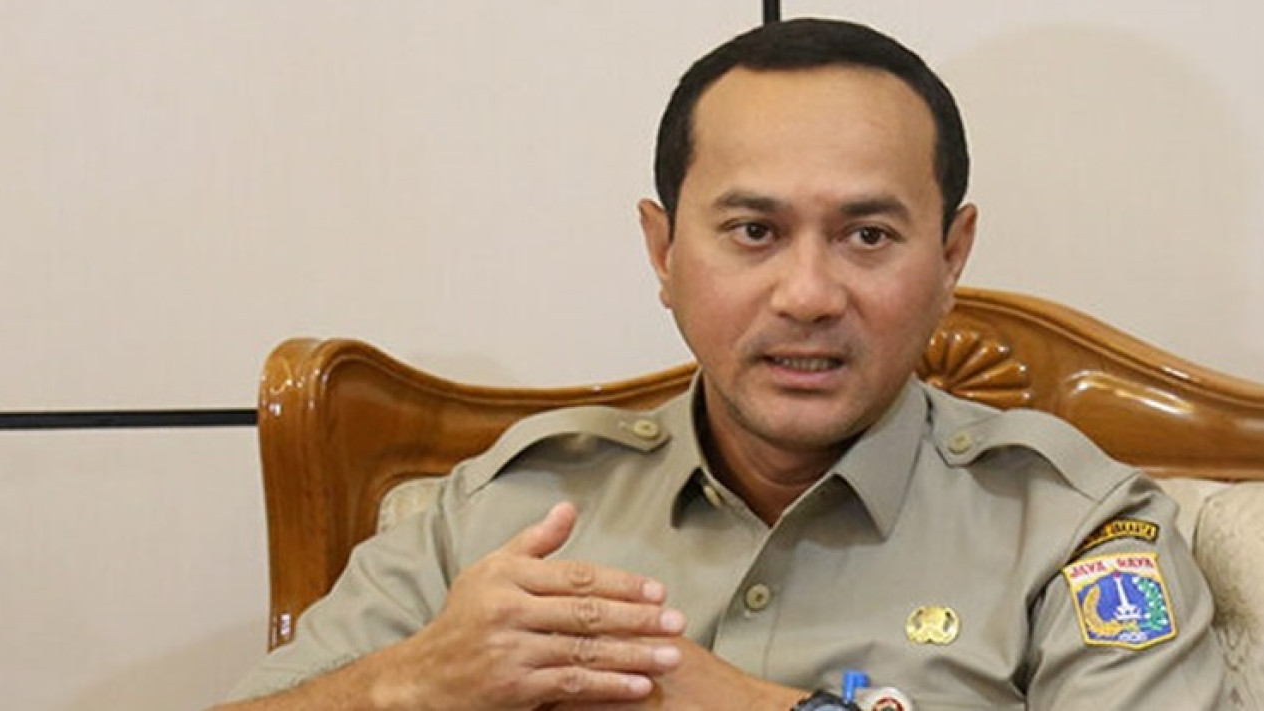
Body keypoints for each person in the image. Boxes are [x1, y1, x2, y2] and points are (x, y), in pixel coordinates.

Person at [216, 18, 1227, 710]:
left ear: (949, 258)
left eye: (867, 236)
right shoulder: (504, 509)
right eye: (752, 231)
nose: (807, 294)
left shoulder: (1069, 529)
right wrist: (409, 682)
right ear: (662, 251)